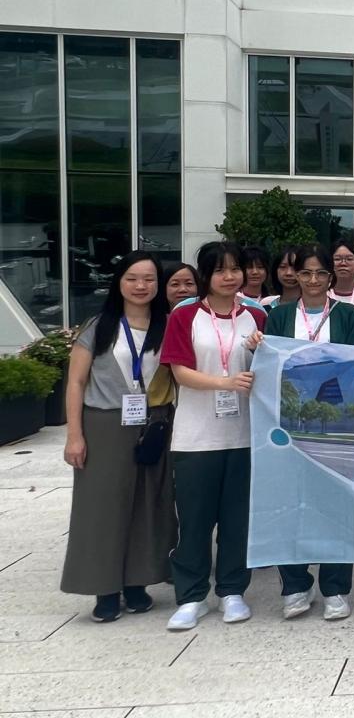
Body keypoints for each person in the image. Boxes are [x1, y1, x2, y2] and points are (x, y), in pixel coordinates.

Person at [60, 251, 175, 622]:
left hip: (154, 423)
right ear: (119, 282)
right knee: (102, 508)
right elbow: (76, 382)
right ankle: (105, 588)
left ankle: (137, 583)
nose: (141, 286)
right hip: (106, 424)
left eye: (149, 279)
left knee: (148, 505)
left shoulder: (168, 324)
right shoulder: (100, 326)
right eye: (132, 278)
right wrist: (74, 435)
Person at [160, 242, 267, 630]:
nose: (230, 277)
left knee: (238, 520)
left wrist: (258, 353)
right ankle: (191, 596)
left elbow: (267, 372)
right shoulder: (185, 315)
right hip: (196, 436)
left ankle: (232, 591)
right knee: (194, 519)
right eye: (220, 270)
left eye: (236, 269)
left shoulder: (257, 316)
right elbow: (178, 371)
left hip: (245, 434)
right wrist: (225, 382)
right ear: (205, 275)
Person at [261, 244, 354, 622]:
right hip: (289, 422)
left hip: (337, 422)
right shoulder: (279, 315)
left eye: (321, 273)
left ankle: (336, 588)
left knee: (337, 503)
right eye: (306, 273)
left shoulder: (347, 314)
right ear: (295, 276)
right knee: (290, 503)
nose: (314, 280)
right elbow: (271, 364)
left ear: (331, 277)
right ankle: (295, 585)